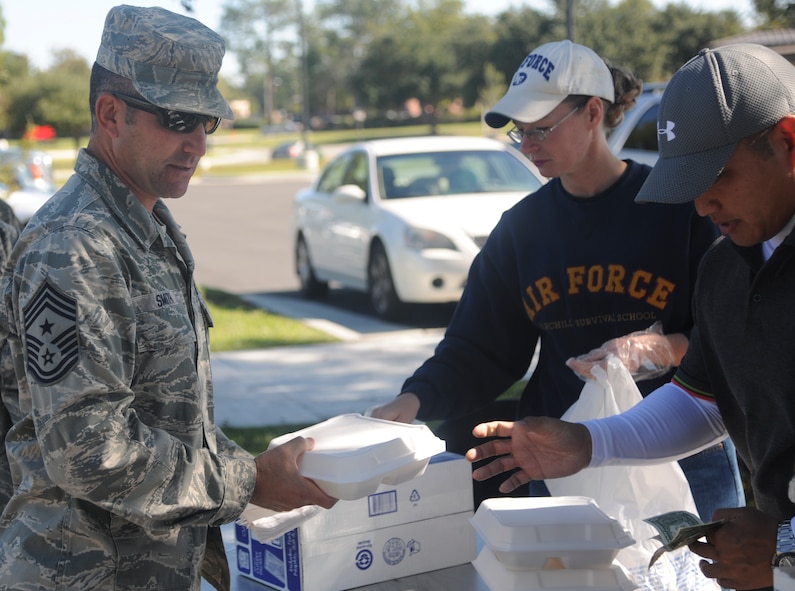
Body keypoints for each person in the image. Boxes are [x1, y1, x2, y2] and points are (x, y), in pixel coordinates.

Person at [0, 6, 336, 590]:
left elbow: (169, 410)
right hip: (87, 573)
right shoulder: (74, 243)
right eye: (178, 119)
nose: (197, 144)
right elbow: (86, 448)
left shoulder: (143, 226)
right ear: (110, 113)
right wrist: (249, 480)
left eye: (207, 122)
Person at [368, 39, 744, 520]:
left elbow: (732, 337)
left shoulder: (678, 210)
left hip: (684, 452)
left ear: (593, 113)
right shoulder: (522, 229)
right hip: (561, 453)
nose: (528, 147)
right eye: (519, 133)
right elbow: (480, 351)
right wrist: (414, 399)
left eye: (541, 130)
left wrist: (663, 349)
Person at [466, 42, 795, 591]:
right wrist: (589, 442)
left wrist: (784, 544)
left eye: (718, 175)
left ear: (788, 141)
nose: (701, 206)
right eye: (686, 185)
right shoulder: (726, 269)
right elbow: (703, 399)